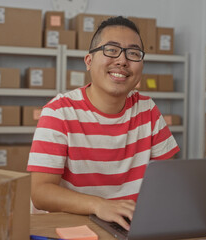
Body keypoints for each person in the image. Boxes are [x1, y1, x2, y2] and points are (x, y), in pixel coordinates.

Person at [27, 16, 180, 231]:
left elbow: (168, 180)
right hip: (71, 226)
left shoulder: (148, 109)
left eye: (133, 53)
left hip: (128, 226)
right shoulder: (59, 111)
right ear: (89, 61)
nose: (122, 61)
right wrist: (99, 205)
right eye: (111, 50)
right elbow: (40, 192)